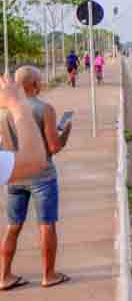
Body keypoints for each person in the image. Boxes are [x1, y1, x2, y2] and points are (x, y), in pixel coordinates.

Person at [1, 66, 72, 290]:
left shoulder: (4, 112)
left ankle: (4, 276)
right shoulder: (44, 109)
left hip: (13, 174)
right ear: (34, 85)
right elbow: (53, 146)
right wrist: (66, 132)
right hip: (42, 176)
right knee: (46, 225)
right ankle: (48, 275)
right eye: (39, 81)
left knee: (12, 226)